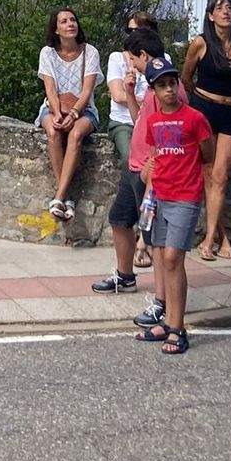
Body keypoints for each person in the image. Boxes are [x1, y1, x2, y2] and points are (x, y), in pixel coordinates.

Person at [130, 56, 213, 356]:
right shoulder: (153, 121)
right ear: (153, 91)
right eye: (162, 85)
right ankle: (168, 321)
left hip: (185, 195)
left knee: (175, 257)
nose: (169, 90)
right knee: (163, 257)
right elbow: (156, 154)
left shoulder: (194, 118)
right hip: (161, 195)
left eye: (172, 83)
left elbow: (207, 152)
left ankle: (178, 327)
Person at [93, 42, 179, 295]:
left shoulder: (165, 95)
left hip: (148, 173)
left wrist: (151, 172)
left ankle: (163, 301)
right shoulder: (150, 91)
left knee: (155, 240)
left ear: (143, 55)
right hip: (134, 166)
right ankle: (125, 276)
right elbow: (137, 121)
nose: (130, 64)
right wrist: (130, 93)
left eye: (132, 58)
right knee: (120, 220)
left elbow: (169, 143)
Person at [181, 0, 231, 262]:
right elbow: (186, 77)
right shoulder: (201, 42)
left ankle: (212, 237)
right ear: (210, 16)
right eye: (219, 8)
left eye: (229, 7)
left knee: (220, 175)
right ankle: (216, 237)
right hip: (205, 110)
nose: (225, 12)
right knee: (210, 175)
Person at [37, 6, 101, 221]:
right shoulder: (47, 53)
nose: (70, 24)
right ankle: (66, 197)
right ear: (55, 29)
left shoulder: (90, 52)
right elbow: (50, 88)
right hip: (54, 107)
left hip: (83, 111)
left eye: (73, 20)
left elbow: (87, 91)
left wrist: (73, 114)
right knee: (53, 132)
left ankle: (60, 196)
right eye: (64, 21)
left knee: (75, 135)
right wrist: (56, 113)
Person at [104, 11, 158, 170]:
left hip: (154, 122)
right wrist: (148, 101)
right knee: (130, 158)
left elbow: (166, 97)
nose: (134, 35)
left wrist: (133, 97)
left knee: (160, 160)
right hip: (124, 122)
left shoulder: (163, 58)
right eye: (130, 31)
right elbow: (118, 96)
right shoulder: (116, 58)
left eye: (139, 30)